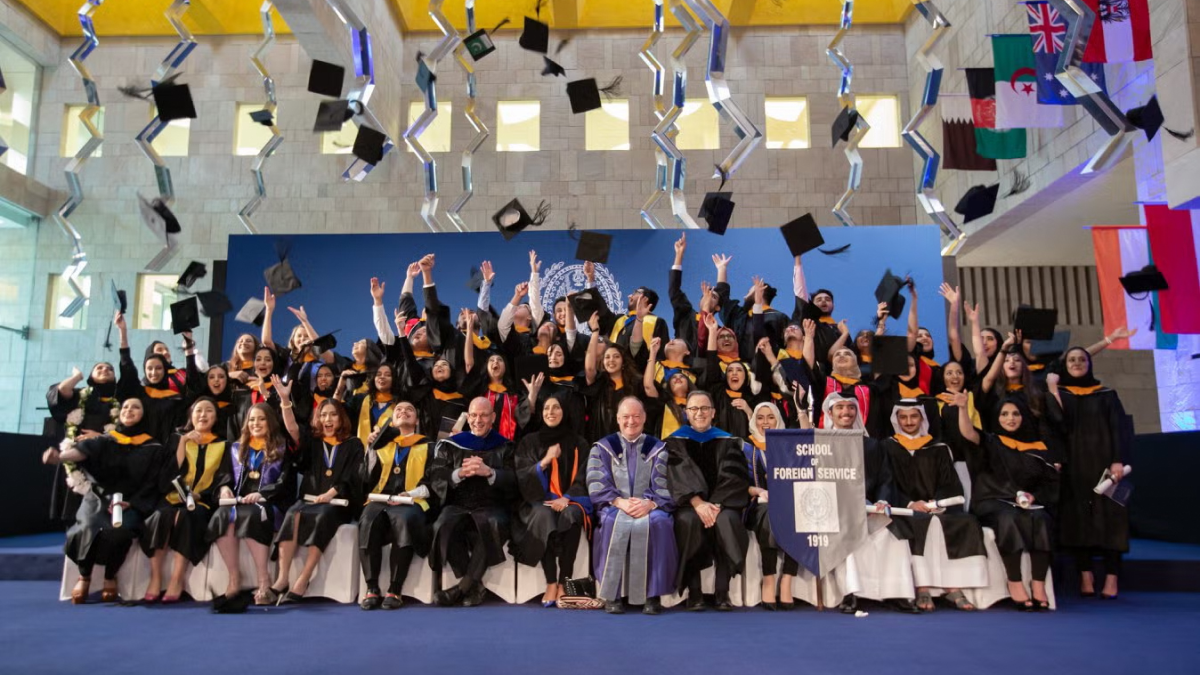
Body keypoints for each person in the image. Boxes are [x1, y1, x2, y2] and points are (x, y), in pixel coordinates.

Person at [42, 398, 168, 604]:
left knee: (120, 532)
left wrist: (134, 503)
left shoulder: (153, 447)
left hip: (130, 501)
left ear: (145, 414)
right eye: (126, 407)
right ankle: (85, 576)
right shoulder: (105, 440)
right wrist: (60, 458)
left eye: (136, 407)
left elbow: (153, 481)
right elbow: (82, 452)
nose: (129, 410)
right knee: (87, 527)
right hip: (99, 496)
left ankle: (111, 575)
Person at [956, 393, 1059, 611]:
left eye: (1015, 414)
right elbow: (968, 433)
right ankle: (1015, 582)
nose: (1010, 418)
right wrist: (963, 409)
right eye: (1004, 414)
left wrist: (1034, 496)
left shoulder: (1038, 448)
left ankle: (1038, 584)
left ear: (1024, 417)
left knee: (1041, 519)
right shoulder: (992, 441)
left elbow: (1049, 483)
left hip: (1026, 503)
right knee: (1008, 518)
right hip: (992, 500)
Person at [882, 400, 987, 611]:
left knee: (964, 522)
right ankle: (923, 588)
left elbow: (949, 483)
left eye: (914, 416)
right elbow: (886, 481)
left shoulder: (938, 448)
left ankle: (953, 587)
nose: (909, 421)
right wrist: (911, 503)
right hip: (904, 508)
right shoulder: (888, 447)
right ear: (897, 420)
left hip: (937, 506)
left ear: (922, 418)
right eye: (903, 417)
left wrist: (935, 503)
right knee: (920, 523)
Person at [821, 393, 919, 614]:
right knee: (852, 531)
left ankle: (897, 593)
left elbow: (885, 478)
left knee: (893, 534)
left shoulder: (872, 445)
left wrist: (882, 500)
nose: (846, 412)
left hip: (869, 507)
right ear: (829, 413)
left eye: (850, 408)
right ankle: (851, 593)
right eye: (840, 408)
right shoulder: (821, 443)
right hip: (836, 509)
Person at [1046, 348, 1130, 599]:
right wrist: (1052, 389)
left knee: (1113, 519)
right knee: (1078, 519)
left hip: (1106, 466)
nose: (1077, 363)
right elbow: (1056, 422)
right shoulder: (1061, 394)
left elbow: (1119, 429)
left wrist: (1118, 461)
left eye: (1082, 359)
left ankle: (1112, 578)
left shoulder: (1106, 394)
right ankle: (1086, 575)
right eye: (1071, 359)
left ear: (1090, 364)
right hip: (1074, 467)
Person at [270, 380, 364, 604]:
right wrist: (285, 401)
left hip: (338, 504)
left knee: (323, 515)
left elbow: (354, 476)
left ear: (341, 418)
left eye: (333, 415)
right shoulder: (313, 442)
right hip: (309, 500)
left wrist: (332, 493)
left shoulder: (354, 444)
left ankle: (303, 578)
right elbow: (292, 429)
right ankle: (283, 578)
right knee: (293, 514)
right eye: (323, 415)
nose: (328, 420)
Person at [588, 397, 677, 614]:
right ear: (618, 419)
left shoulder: (658, 448)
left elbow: (665, 483)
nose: (631, 421)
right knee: (611, 522)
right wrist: (619, 502)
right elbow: (596, 481)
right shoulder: (602, 447)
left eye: (636, 416)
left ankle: (652, 596)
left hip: (649, 506)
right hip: (615, 504)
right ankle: (612, 595)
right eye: (626, 416)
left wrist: (650, 503)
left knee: (660, 524)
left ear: (644, 418)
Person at [426, 397, 517, 607]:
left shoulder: (505, 446)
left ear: (493, 417)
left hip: (491, 506)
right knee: (442, 526)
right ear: (468, 417)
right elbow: (436, 476)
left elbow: (515, 479)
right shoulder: (451, 444)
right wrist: (459, 473)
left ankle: (462, 588)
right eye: (474, 415)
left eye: (484, 415)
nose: (478, 420)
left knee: (491, 523)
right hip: (458, 504)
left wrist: (490, 472)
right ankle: (474, 587)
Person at [666, 391, 751, 611]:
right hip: (689, 504)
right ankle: (694, 593)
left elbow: (735, 476)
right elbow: (676, 476)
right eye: (694, 409)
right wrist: (698, 504)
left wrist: (715, 505)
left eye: (704, 408)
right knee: (688, 522)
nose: (699, 413)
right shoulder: (675, 442)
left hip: (722, 503)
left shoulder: (728, 440)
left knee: (727, 521)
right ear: (686, 413)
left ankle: (722, 592)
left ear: (713, 412)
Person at [141, 398, 233, 603]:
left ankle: (176, 578)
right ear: (191, 416)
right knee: (161, 516)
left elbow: (224, 478)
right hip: (171, 497)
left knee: (187, 516)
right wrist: (183, 442)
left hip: (202, 501)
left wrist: (202, 495)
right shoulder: (176, 439)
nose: (203, 415)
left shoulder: (223, 444)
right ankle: (156, 577)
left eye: (209, 411)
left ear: (216, 417)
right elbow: (167, 474)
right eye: (198, 410)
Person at [207, 402, 294, 606]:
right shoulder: (236, 448)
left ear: (270, 422)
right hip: (238, 503)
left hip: (268, 504)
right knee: (221, 516)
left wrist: (262, 494)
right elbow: (225, 475)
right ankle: (234, 579)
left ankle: (264, 580)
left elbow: (285, 481)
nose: (256, 423)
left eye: (261, 419)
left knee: (251, 514)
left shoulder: (282, 447)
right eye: (252, 419)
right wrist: (224, 488)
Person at [512, 393, 593, 607]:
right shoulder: (530, 441)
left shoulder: (579, 443)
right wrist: (545, 461)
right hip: (537, 500)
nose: (550, 412)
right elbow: (522, 474)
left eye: (556, 407)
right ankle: (550, 581)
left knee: (572, 514)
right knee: (543, 514)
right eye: (546, 408)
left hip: (569, 500)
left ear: (564, 412)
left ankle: (564, 581)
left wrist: (567, 497)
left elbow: (585, 475)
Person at [358, 399, 433, 610]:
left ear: (417, 420)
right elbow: (365, 478)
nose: (404, 412)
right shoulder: (383, 446)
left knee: (403, 519)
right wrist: (371, 448)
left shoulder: (429, 445)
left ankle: (395, 588)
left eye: (410, 409)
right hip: (380, 499)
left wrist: (410, 493)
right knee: (368, 519)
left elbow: (434, 480)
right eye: (399, 409)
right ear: (392, 420)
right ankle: (371, 587)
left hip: (412, 502)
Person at [743, 401, 798, 610]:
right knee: (768, 513)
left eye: (771, 417)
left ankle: (787, 580)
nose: (765, 422)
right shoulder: (745, 447)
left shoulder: (789, 445)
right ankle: (768, 580)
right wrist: (758, 491)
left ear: (778, 420)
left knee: (797, 514)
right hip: (756, 505)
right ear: (753, 420)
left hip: (788, 501)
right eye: (760, 417)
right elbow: (738, 482)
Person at [583, 314, 641, 441]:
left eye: (616, 356)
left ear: (623, 361)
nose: (611, 360)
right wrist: (595, 332)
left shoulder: (635, 385)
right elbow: (589, 368)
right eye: (607, 357)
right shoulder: (599, 383)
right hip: (603, 443)